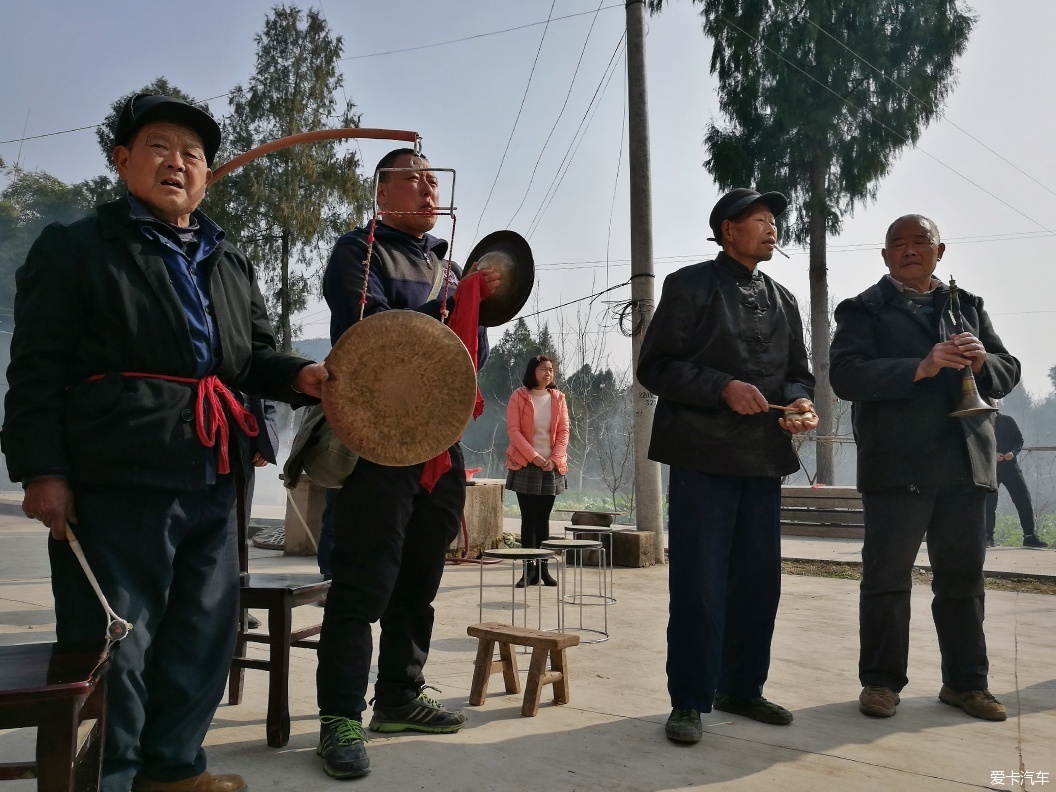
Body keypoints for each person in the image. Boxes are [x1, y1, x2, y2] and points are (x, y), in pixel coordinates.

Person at [1, 94, 328, 792]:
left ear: (207, 176)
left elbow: (251, 359)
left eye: (193, 154)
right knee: (121, 639)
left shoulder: (229, 261)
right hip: (117, 472)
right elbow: (36, 367)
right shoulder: (80, 248)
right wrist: (42, 471)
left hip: (214, 474)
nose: (177, 162)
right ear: (122, 161)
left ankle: (173, 770)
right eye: (159, 146)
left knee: (204, 632)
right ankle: (112, 779)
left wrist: (303, 374)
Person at [315, 148, 499, 779]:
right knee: (364, 583)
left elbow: (461, 352)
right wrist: (460, 300)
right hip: (379, 440)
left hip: (439, 444)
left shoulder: (446, 266)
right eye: (413, 178)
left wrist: (476, 298)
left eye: (430, 179)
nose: (426, 188)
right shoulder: (358, 251)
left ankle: (396, 695)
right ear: (381, 190)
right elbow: (381, 333)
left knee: (419, 578)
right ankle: (339, 716)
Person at [637, 188, 817, 746]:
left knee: (758, 583)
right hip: (703, 458)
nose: (770, 228)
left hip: (763, 460)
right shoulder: (689, 286)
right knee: (700, 582)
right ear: (726, 230)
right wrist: (723, 388)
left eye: (773, 221)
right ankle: (689, 701)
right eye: (757, 220)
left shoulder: (784, 299)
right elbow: (657, 367)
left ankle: (742, 686)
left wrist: (800, 405)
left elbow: (799, 374)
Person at [829, 214, 1020, 723]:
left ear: (941, 250)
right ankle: (882, 683)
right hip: (897, 466)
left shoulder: (966, 306)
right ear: (885, 255)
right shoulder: (863, 309)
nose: (910, 250)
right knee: (887, 579)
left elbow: (1008, 372)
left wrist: (982, 362)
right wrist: (921, 365)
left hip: (965, 464)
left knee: (963, 580)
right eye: (899, 244)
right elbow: (845, 374)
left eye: (921, 242)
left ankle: (966, 684)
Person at [505, 355, 570, 587]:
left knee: (543, 519)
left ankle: (544, 570)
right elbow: (514, 431)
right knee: (528, 519)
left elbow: (564, 432)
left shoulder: (559, 398)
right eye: (543, 369)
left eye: (551, 370)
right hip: (525, 464)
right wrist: (535, 457)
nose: (548, 373)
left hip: (551, 467)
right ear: (532, 371)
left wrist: (553, 459)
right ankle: (528, 571)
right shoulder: (519, 396)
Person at [986, 408, 1047, 548]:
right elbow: (979, 444)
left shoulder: (1007, 420)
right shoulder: (981, 423)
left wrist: (1013, 453)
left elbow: (1019, 440)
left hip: (1010, 466)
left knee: (1023, 498)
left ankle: (1029, 536)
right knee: (989, 503)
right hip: (991, 467)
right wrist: (993, 454)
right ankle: (987, 537)